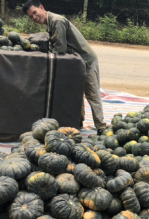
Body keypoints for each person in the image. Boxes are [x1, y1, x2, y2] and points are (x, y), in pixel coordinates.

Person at [22, 0, 107, 135]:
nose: (34, 18)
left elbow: (59, 49)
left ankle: (101, 127)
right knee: (77, 92)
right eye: (31, 16)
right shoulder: (50, 23)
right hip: (76, 62)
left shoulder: (56, 21)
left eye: (34, 13)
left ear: (42, 8)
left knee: (92, 94)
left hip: (86, 60)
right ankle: (78, 121)